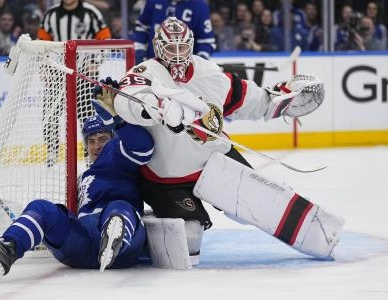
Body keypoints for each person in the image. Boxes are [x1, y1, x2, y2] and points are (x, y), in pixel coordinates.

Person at [112, 17, 343, 264]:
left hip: (216, 161)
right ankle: (147, 231)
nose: (177, 54)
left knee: (252, 208)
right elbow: (126, 99)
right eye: (170, 47)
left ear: (191, 45)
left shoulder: (209, 72)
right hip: (167, 177)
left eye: (182, 47)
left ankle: (318, 236)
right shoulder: (145, 72)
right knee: (189, 242)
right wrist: (155, 107)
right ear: (158, 47)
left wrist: (279, 100)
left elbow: (247, 97)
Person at [0, 81, 154, 282]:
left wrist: (118, 120)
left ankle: (113, 238)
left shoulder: (118, 153)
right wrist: (44, 233)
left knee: (119, 208)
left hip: (125, 246)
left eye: (102, 138)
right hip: (82, 244)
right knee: (42, 208)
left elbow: (144, 148)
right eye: (91, 141)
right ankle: (7, 250)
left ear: (113, 137)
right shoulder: (85, 177)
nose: (96, 146)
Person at [37, 0, 112, 166]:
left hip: (84, 75)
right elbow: (41, 45)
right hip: (58, 74)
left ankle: (89, 155)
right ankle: (52, 153)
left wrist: (96, 61)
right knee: (49, 115)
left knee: (87, 117)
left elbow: (105, 40)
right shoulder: (51, 15)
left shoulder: (91, 13)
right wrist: (44, 67)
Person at [132, 0, 216, 64]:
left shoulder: (200, 6)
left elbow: (206, 41)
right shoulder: (153, 1)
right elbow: (142, 28)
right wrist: (139, 51)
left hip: (185, 68)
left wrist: (199, 62)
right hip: (154, 64)